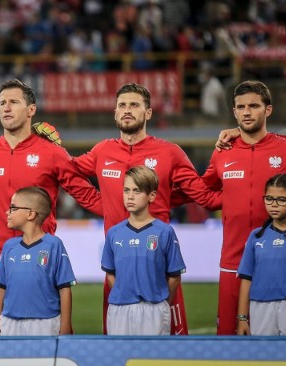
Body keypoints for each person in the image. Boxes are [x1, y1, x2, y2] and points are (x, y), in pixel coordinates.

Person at [0, 79, 104, 335]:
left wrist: (127, 212)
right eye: (2, 103)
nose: (6, 108)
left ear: (31, 110)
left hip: (41, 261)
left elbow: (86, 194)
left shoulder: (52, 153)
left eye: (14, 102)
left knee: (44, 344)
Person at [73, 83, 221, 335]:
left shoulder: (170, 153)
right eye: (122, 105)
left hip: (158, 264)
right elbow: (68, 172)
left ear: (148, 113)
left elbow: (202, 194)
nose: (127, 110)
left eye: (134, 105)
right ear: (115, 113)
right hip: (117, 264)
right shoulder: (102, 151)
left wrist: (232, 171)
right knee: (116, 348)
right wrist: (102, 205)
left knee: (168, 348)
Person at [199, 80, 286, 335]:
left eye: (254, 106)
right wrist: (228, 199)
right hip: (233, 261)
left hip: (282, 259)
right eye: (241, 107)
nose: (247, 112)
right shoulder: (223, 151)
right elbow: (204, 191)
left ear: (268, 110)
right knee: (230, 343)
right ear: (234, 112)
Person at [102, 166, 185, 335]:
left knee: (151, 359)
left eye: (137, 191)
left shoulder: (164, 232)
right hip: (119, 309)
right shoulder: (114, 233)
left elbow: (174, 276)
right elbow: (110, 273)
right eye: (126, 190)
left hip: (154, 309)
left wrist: (160, 302)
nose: (130, 196)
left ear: (151, 196)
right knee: (119, 359)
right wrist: (124, 293)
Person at [236, 174, 286, 336]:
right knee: (263, 358)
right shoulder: (256, 236)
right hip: (260, 306)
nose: (274, 205)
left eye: (281, 200)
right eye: (269, 199)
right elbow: (246, 279)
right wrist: (242, 318)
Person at [0, 186, 75, 336]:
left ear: (30, 214)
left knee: (44, 360)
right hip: (10, 322)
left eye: (13, 208)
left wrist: (65, 328)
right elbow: (0, 288)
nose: (7, 212)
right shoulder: (9, 246)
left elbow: (65, 289)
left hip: (46, 323)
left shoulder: (54, 245)